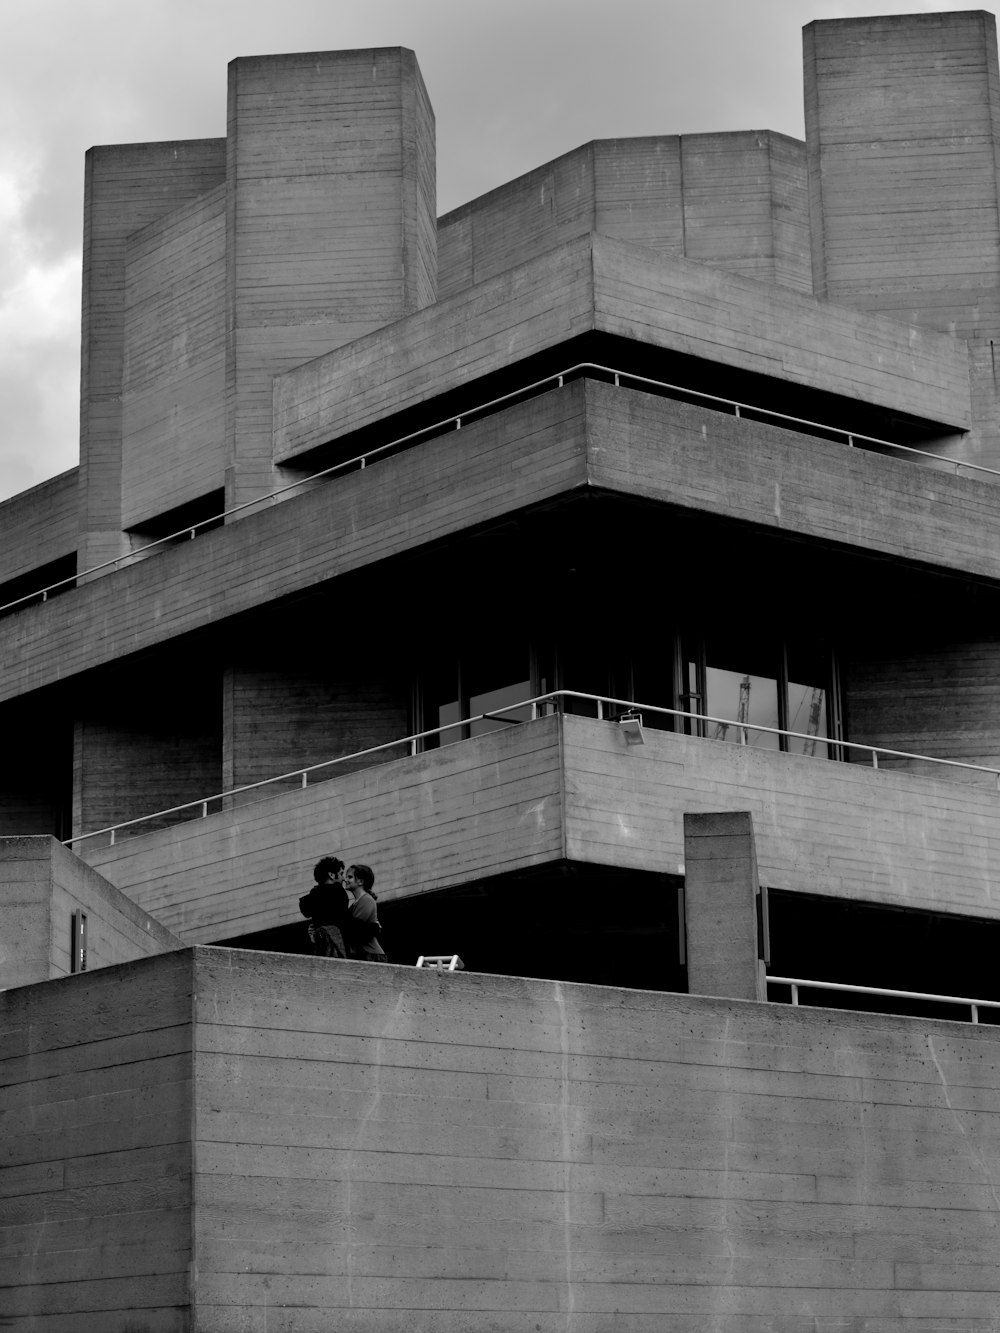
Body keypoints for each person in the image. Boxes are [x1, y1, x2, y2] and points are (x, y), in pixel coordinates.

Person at [299, 856, 351, 957]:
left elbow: (306, 911)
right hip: (337, 945)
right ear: (331, 875)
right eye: (341, 874)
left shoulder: (313, 895)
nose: (343, 878)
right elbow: (346, 921)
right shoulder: (338, 892)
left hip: (320, 948)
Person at [343, 863, 387, 962]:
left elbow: (355, 930)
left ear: (361, 881)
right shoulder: (357, 902)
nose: (345, 880)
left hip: (371, 955)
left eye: (350, 877)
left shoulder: (366, 900)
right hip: (365, 954)